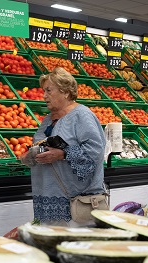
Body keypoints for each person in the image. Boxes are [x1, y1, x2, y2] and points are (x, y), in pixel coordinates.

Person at [30, 67, 106, 226]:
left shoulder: (82, 115)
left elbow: (96, 151)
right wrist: (30, 155)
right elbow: (41, 145)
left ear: (65, 92)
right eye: (44, 91)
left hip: (76, 205)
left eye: (49, 91)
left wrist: (62, 154)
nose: (44, 96)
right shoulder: (47, 120)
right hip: (49, 202)